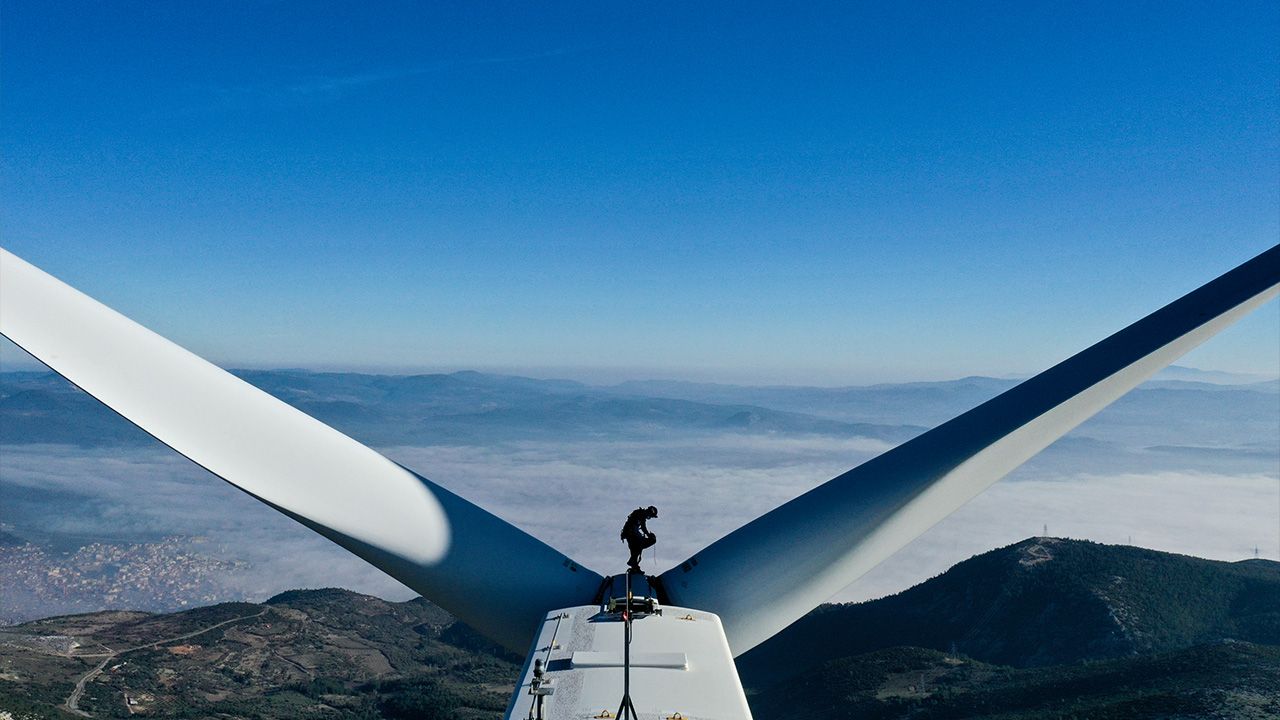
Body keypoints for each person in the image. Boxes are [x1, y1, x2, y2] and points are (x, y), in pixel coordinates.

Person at [620, 506, 658, 573]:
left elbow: (641, 527)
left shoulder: (640, 514)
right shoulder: (641, 513)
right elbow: (643, 527)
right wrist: (649, 535)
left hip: (631, 535)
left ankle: (634, 566)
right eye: (650, 516)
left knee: (636, 550)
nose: (649, 517)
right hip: (631, 535)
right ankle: (634, 565)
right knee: (637, 548)